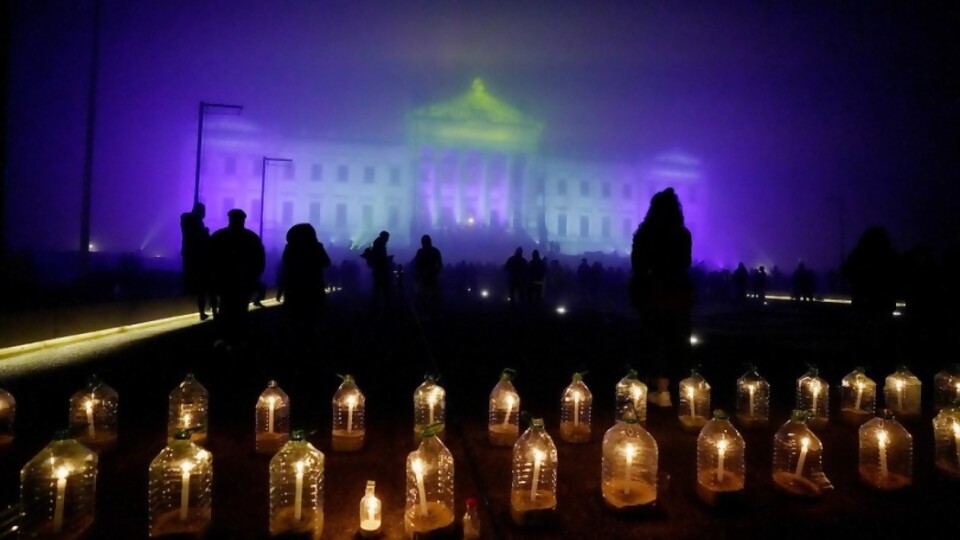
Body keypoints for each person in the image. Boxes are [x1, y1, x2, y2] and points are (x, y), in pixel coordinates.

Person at [630, 187, 693, 406]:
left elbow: (637, 265)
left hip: (653, 293)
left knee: (653, 339)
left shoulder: (645, 234)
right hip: (677, 293)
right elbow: (685, 263)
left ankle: (658, 387)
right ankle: (678, 389)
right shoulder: (682, 234)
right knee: (676, 340)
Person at [210, 209, 266, 348]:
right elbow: (260, 261)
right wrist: (254, 277)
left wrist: (213, 279)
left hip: (224, 281)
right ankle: (239, 339)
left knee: (225, 308)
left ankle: (224, 338)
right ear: (243, 220)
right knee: (241, 310)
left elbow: (209, 259)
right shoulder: (251, 237)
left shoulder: (219, 236)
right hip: (243, 282)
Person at [278, 223, 331, 332]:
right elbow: (326, 262)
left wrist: (281, 288)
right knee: (312, 319)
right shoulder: (316, 247)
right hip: (313, 286)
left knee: (295, 320)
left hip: (294, 288)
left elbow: (285, 267)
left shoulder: (291, 248)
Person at [180, 202, 216, 320]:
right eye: (203, 211)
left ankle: (203, 312)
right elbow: (199, 238)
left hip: (193, 257)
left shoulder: (188, 221)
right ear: (200, 211)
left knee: (202, 287)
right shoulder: (196, 222)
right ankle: (212, 311)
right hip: (200, 258)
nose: (205, 214)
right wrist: (205, 233)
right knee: (208, 285)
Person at [361, 231, 394, 316]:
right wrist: (387, 260)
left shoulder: (378, 244)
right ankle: (380, 307)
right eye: (387, 237)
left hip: (379, 269)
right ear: (385, 237)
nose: (388, 239)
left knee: (378, 288)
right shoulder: (380, 246)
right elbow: (380, 258)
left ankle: (376, 306)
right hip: (381, 270)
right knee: (382, 288)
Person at [413, 234, 443, 316]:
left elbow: (416, 265)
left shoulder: (421, 252)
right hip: (429, 276)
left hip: (427, 277)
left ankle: (428, 312)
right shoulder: (435, 251)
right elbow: (440, 264)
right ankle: (433, 312)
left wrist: (422, 272)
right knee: (430, 295)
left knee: (426, 295)